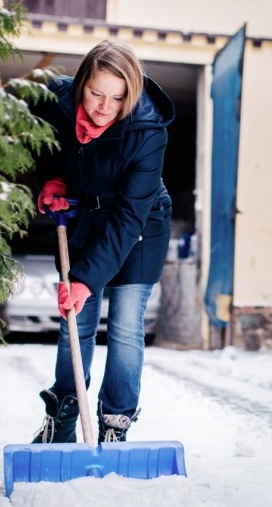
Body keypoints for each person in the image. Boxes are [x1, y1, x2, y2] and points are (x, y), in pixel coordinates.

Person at [27, 40, 174, 443]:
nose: (105, 106)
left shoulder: (147, 130)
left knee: (125, 326)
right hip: (82, 219)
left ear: (131, 93)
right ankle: (63, 415)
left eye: (118, 97)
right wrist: (53, 179)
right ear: (81, 84)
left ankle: (114, 423)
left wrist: (87, 280)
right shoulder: (56, 102)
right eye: (95, 93)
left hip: (139, 226)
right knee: (75, 321)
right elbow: (48, 147)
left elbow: (129, 216)